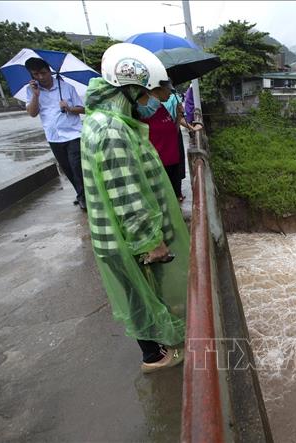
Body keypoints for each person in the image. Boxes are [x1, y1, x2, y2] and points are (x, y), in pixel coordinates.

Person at [80, 42, 190, 373]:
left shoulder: (100, 120)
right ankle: (154, 356)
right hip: (126, 238)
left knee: (138, 292)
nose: (148, 103)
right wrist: (150, 241)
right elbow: (126, 195)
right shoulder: (113, 131)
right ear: (127, 90)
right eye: (144, 96)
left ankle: (156, 348)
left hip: (113, 234)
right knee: (138, 295)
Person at [25, 57, 86, 210]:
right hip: (53, 137)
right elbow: (32, 113)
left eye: (43, 73)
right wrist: (35, 96)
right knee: (67, 169)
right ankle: (81, 194)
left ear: (49, 71)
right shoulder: (32, 91)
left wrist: (69, 108)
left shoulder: (67, 88)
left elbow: (83, 109)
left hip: (73, 134)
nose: (40, 77)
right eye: (36, 74)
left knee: (77, 166)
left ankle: (84, 197)